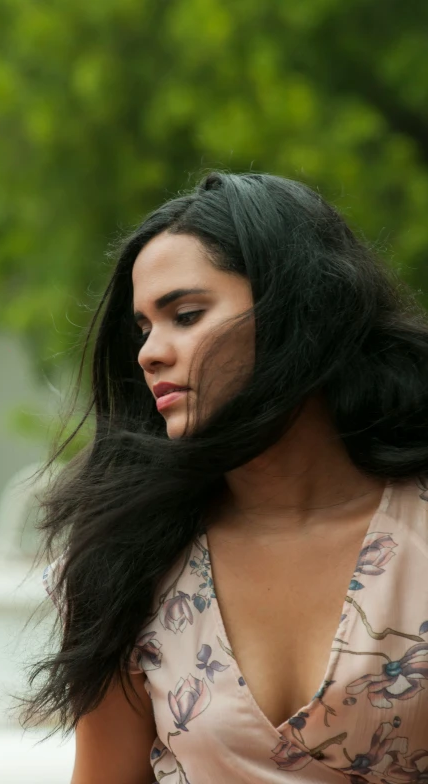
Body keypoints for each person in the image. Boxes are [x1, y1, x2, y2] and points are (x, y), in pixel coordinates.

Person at [27, 172, 428, 783]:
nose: (149, 353)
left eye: (185, 315)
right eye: (143, 328)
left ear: (298, 306)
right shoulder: (128, 561)